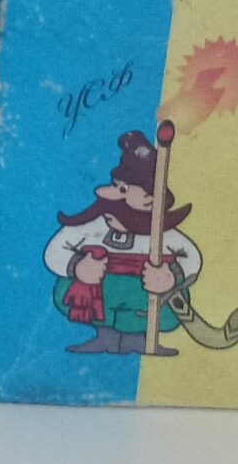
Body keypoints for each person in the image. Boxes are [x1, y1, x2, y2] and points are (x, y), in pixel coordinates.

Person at [42, 130, 200, 355]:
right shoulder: (93, 225)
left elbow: (192, 257)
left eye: (124, 189)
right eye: (115, 185)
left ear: (150, 200)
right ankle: (105, 338)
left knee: (170, 299)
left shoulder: (163, 234)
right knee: (67, 287)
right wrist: (76, 266)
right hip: (99, 291)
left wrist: (172, 274)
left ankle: (137, 340)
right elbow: (56, 249)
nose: (108, 194)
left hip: (143, 294)